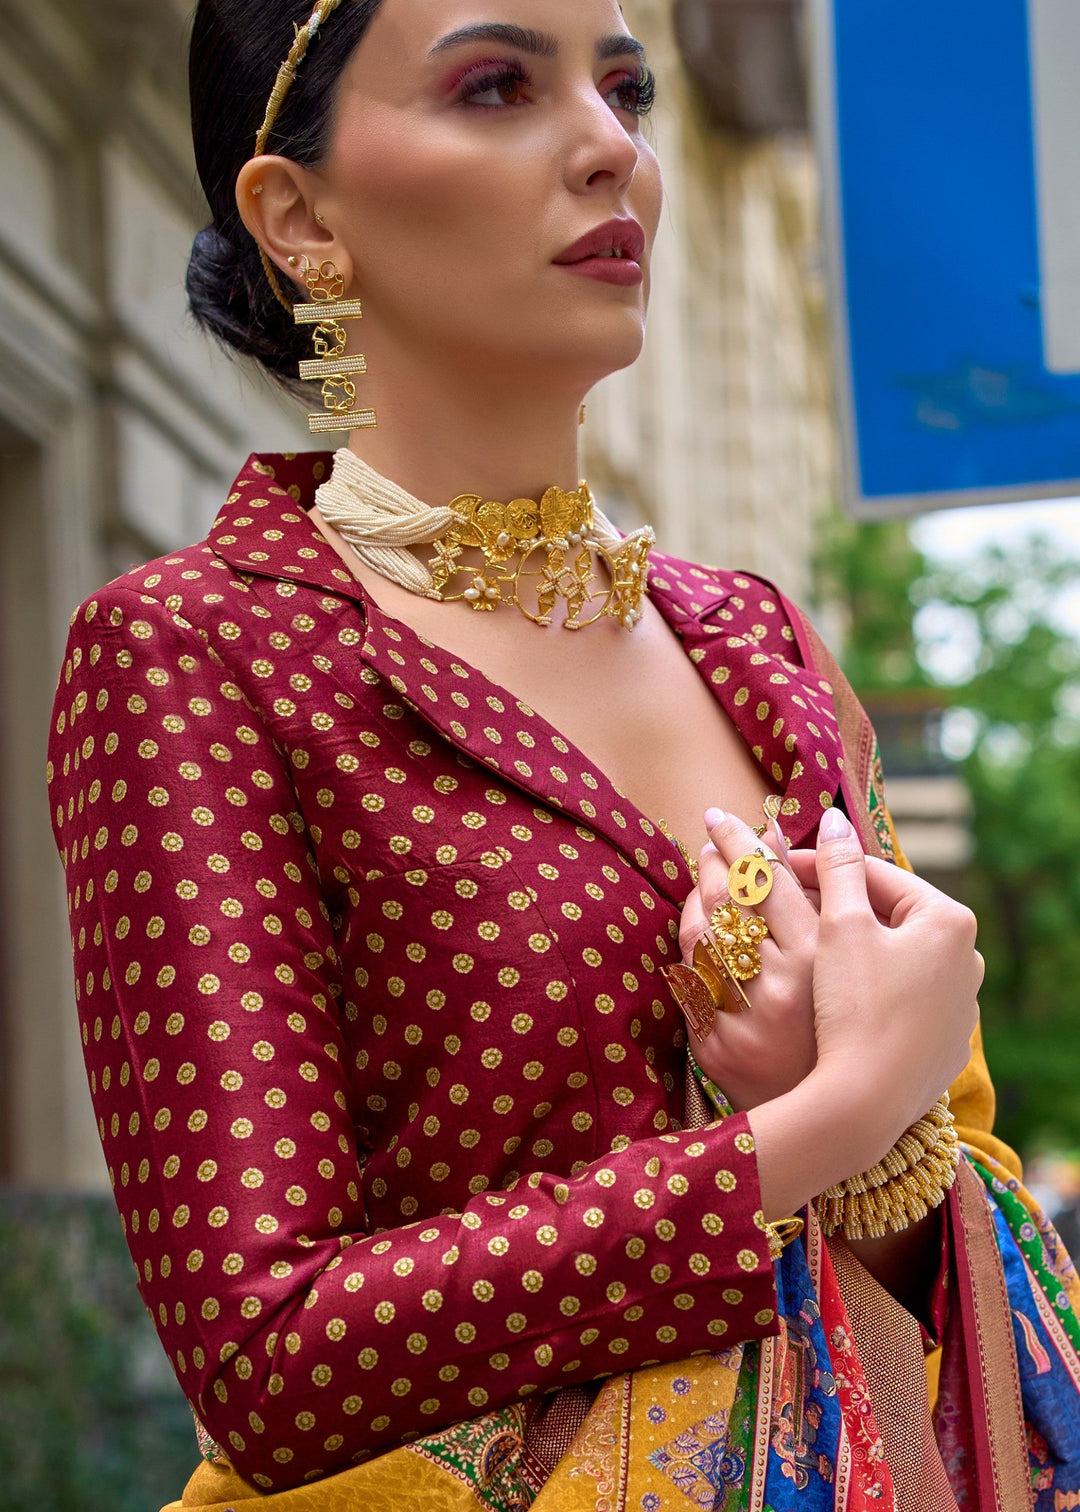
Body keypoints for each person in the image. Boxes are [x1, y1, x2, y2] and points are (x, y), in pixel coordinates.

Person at [47, 1, 1080, 1507]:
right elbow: (265, 1355)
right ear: (301, 215)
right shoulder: (199, 651)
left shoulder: (764, 647)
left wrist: (881, 1155)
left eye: (627, 86)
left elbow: (942, 1226)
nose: (611, 149)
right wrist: (829, 1118)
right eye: (494, 87)